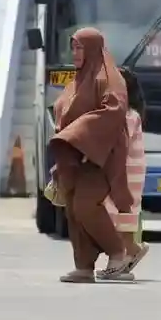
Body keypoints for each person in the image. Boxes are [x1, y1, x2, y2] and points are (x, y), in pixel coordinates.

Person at [52, 28, 133, 283]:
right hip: (75, 157)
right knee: (73, 209)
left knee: (86, 205)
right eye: (73, 48)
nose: (76, 53)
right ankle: (84, 266)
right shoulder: (77, 80)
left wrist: (82, 139)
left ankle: (119, 255)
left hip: (100, 156)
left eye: (80, 48)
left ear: (93, 49)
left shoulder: (109, 78)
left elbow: (113, 112)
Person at [97, 66, 149, 279]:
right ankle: (130, 252)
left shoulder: (127, 115)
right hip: (127, 170)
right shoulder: (129, 114)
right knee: (121, 214)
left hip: (125, 171)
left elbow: (119, 144)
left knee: (115, 214)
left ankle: (118, 261)